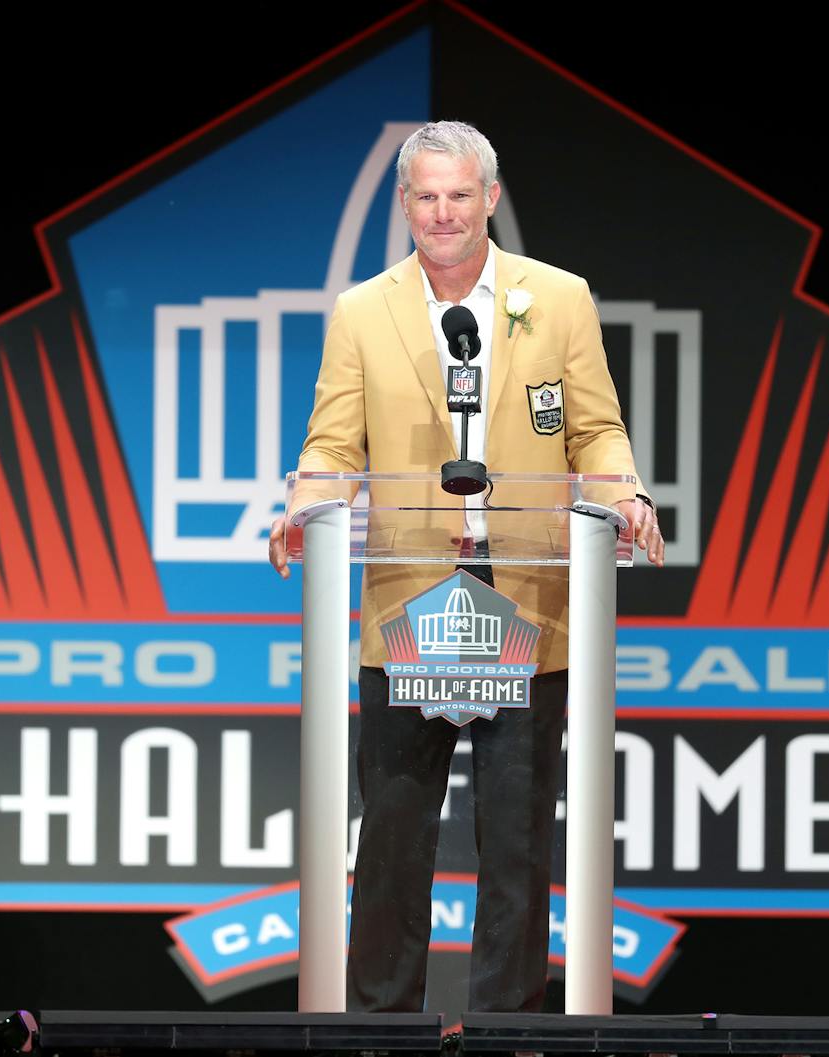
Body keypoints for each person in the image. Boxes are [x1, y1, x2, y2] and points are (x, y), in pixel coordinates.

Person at [268, 121, 663, 1013]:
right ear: (404, 205)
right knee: (394, 837)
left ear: (490, 197)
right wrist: (304, 508)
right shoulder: (362, 311)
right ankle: (376, 1024)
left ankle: (510, 1028)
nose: (442, 213)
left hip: (527, 593)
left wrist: (626, 494)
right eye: (425, 196)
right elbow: (334, 439)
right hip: (408, 591)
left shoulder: (558, 299)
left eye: (459, 195)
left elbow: (594, 428)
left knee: (517, 841)